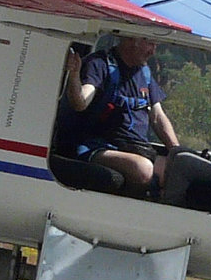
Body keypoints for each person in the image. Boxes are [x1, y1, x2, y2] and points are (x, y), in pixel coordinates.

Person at [60, 35, 180, 196]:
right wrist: (73, 74)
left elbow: (158, 117)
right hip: (98, 147)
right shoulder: (100, 64)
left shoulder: (144, 72)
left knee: (176, 172)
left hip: (136, 148)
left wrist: (177, 153)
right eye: (150, 44)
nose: (153, 52)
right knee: (143, 169)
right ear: (130, 39)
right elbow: (80, 103)